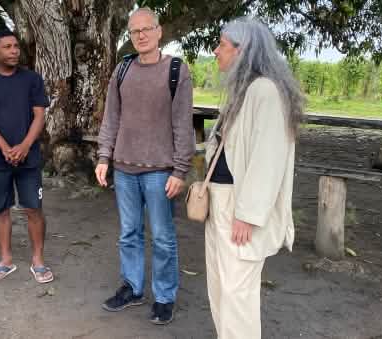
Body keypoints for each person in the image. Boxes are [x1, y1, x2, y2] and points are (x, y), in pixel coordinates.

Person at [204, 18, 304, 338]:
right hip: (220, 201)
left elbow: (268, 159)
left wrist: (248, 215)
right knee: (220, 286)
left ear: (242, 50)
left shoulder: (266, 91)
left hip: (239, 207)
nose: (216, 50)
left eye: (222, 44)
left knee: (237, 293)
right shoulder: (244, 90)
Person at [95, 8, 194, 325]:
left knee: (163, 237)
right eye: (134, 30)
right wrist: (103, 157)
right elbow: (111, 118)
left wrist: (180, 170)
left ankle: (164, 297)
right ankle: (133, 288)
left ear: (159, 31)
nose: (140, 35)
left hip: (160, 171)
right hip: (124, 168)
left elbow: (182, 125)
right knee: (129, 233)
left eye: (146, 29)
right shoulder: (122, 70)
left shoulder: (177, 70)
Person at [0, 30, 54, 284]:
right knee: (1, 209)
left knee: (33, 208)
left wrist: (25, 146)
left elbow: (39, 115)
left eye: (16, 46)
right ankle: (6, 260)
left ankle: (38, 261)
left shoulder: (32, 79)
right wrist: (5, 148)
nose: (14, 51)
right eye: (7, 47)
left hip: (29, 158)